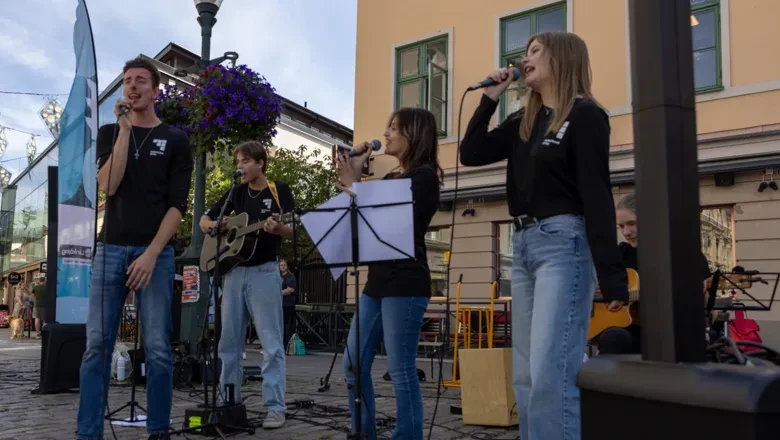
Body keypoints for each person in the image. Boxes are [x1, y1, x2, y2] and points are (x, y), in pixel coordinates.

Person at [460, 32, 629, 440]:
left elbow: (596, 193)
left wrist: (612, 274)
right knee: (526, 374)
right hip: (524, 246)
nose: (526, 58)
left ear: (561, 58)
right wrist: (490, 98)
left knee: (551, 371)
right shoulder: (524, 120)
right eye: (526, 51)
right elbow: (472, 152)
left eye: (536, 51)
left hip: (564, 245)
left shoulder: (586, 116)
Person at [77, 57, 193, 440]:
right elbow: (108, 186)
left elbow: (178, 206)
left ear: (156, 90)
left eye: (141, 80)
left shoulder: (176, 140)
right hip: (110, 248)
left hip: (155, 255)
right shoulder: (112, 132)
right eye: (127, 81)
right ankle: (88, 433)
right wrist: (125, 130)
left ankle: (158, 430)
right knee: (97, 346)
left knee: (159, 347)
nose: (133, 86)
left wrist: (151, 253)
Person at [334, 107, 442, 440]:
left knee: (400, 371)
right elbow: (362, 221)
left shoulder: (424, 178)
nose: (388, 132)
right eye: (388, 126)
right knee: (352, 364)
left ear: (415, 134)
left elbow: (394, 224)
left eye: (395, 127)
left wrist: (356, 186)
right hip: (376, 283)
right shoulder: (391, 178)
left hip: (406, 283)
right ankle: (363, 432)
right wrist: (352, 176)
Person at [199, 140, 294, 429]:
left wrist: (277, 228)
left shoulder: (279, 190)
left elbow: (290, 229)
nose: (239, 167)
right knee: (228, 343)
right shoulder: (235, 193)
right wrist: (216, 226)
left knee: (271, 343)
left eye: (244, 162)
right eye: (238, 163)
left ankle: (275, 408)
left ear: (260, 162)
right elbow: (205, 220)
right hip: (233, 274)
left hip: (264, 272)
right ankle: (230, 403)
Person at [596, 192, 712, 354]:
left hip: (671, 331)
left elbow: (702, 299)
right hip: (630, 330)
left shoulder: (684, 252)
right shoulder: (621, 255)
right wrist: (609, 292)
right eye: (621, 226)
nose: (626, 232)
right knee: (612, 337)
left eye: (632, 223)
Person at [279, 259, 297, 346]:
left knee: (284, 324)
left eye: (284, 265)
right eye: (281, 265)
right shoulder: (277, 276)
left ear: (287, 266)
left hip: (287, 304)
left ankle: (285, 344)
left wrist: (277, 293)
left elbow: (290, 289)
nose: (282, 267)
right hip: (278, 304)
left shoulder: (290, 276)